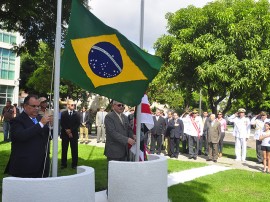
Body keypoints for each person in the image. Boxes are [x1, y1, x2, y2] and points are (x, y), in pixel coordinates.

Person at [4, 95, 52, 177]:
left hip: (42, 165)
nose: (37, 108)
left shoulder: (40, 118)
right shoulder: (17, 120)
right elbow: (21, 136)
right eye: (33, 106)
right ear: (25, 106)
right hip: (25, 167)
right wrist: (41, 124)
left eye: (38, 106)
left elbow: (48, 137)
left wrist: (52, 127)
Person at [60, 99, 80, 169]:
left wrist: (70, 130)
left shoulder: (77, 114)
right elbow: (62, 123)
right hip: (65, 134)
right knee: (64, 149)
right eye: (72, 105)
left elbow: (77, 124)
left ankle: (74, 164)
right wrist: (67, 131)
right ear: (68, 105)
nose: (73, 106)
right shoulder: (63, 113)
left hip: (74, 134)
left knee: (74, 149)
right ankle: (63, 164)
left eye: (74, 105)